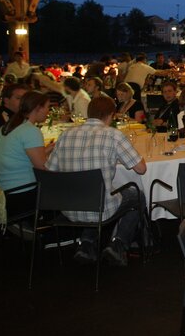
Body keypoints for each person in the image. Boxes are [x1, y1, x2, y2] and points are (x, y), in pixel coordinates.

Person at [46, 95, 147, 266]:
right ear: (111, 115)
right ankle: (119, 244)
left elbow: (50, 169)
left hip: (68, 206)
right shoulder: (113, 135)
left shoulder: (65, 135)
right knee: (137, 194)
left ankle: (86, 244)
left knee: (93, 192)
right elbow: (141, 169)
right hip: (100, 207)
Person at [0, 91, 54, 193]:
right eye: (47, 107)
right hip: (21, 191)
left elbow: (19, 156)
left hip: (1, 189)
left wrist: (47, 150)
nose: (48, 111)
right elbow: (42, 168)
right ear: (38, 108)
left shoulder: (7, 126)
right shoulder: (30, 131)